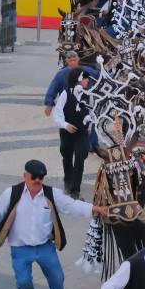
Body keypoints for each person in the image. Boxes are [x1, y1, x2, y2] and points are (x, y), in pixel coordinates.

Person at [0, 159, 106, 289]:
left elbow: (72, 206)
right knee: (23, 283)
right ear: (25, 176)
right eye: (34, 176)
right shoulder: (11, 193)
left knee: (58, 279)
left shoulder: (52, 194)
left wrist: (95, 209)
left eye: (41, 177)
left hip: (45, 248)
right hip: (20, 249)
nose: (37, 180)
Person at [51, 68, 93, 199]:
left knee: (80, 158)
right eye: (85, 78)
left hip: (82, 133)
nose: (87, 81)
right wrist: (65, 125)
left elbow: (92, 113)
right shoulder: (65, 94)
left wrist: (89, 126)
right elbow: (57, 114)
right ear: (78, 79)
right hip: (67, 132)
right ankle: (68, 181)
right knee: (67, 157)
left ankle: (75, 190)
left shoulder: (89, 94)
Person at [43, 52, 99, 116]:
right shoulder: (61, 74)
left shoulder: (88, 70)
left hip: (86, 105)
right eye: (70, 61)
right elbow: (53, 89)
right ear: (66, 61)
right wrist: (49, 104)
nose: (72, 62)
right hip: (67, 105)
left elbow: (102, 77)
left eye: (74, 60)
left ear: (78, 59)